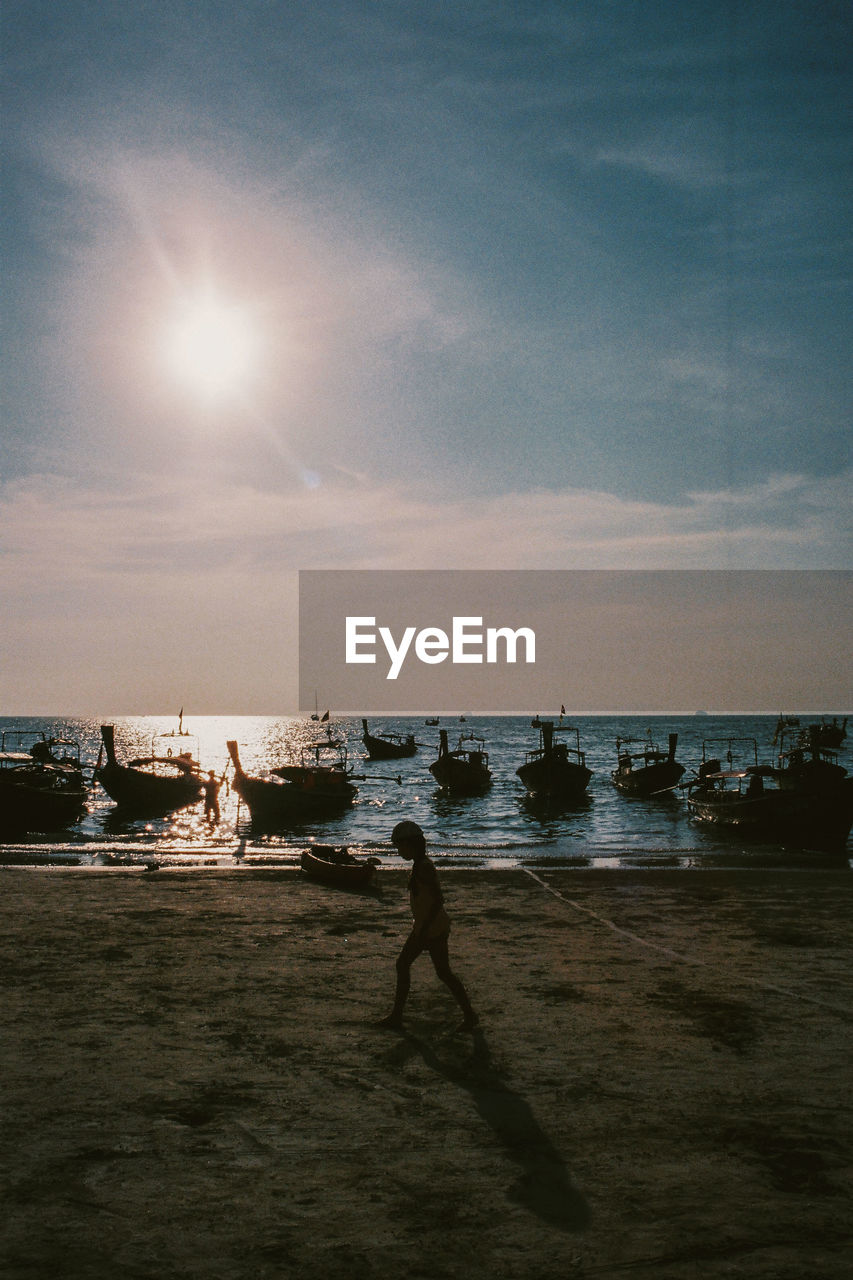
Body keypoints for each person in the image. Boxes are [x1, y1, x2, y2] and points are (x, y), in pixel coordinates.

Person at [378, 820, 477, 1031]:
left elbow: (438, 899)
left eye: (400, 846)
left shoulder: (423, 868)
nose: (399, 851)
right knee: (439, 972)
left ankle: (397, 1017)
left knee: (413, 966)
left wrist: (423, 930)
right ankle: (469, 1016)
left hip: (430, 929)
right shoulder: (420, 865)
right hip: (428, 927)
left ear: (411, 845)